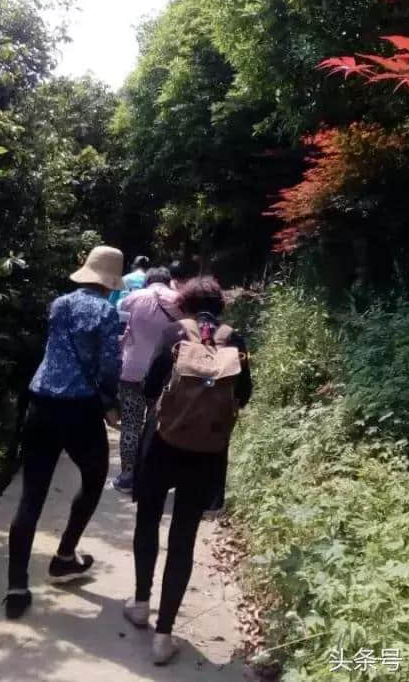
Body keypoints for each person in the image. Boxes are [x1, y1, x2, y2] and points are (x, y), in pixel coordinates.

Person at [123, 276, 252, 666]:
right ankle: (164, 637)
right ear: (221, 305)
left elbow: (150, 386)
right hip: (206, 451)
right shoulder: (236, 340)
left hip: (162, 444)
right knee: (183, 536)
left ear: (185, 303)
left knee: (147, 521)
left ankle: (141, 603)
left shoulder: (173, 332)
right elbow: (243, 395)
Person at [5, 245, 123, 621]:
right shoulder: (107, 312)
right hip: (79, 409)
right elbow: (109, 364)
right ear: (111, 281)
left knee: (31, 496)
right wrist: (109, 402)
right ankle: (64, 556)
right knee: (94, 477)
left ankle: (17, 586)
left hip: (41, 403)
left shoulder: (59, 304)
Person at [113, 267, 182, 493]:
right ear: (168, 281)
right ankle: (153, 477)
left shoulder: (131, 298)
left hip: (131, 370)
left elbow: (120, 330)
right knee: (160, 425)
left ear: (147, 281)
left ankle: (127, 477)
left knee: (131, 425)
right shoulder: (178, 300)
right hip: (163, 374)